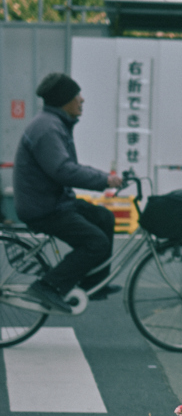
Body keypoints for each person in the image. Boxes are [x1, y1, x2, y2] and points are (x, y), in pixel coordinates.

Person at [13, 73, 123, 314]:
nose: (82, 100)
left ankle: (93, 283)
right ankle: (47, 286)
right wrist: (104, 180)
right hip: (44, 208)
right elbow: (63, 171)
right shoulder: (47, 128)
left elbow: (70, 168)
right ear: (64, 100)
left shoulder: (54, 123)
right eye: (77, 96)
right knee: (95, 242)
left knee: (104, 217)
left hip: (55, 201)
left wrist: (106, 177)